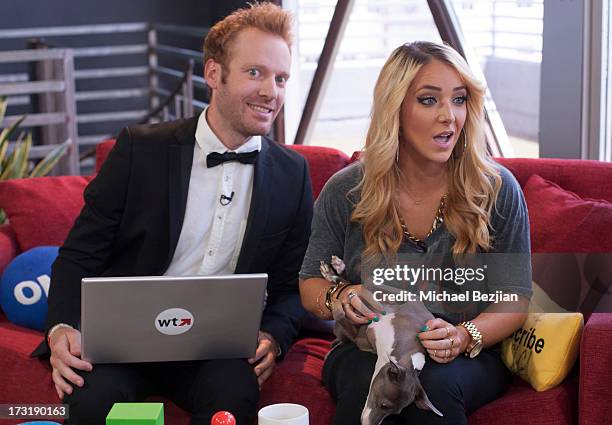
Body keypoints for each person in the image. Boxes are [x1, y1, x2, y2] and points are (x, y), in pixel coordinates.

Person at [41, 3, 313, 424]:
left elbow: (291, 285)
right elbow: (79, 254)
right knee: (91, 400)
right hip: (121, 348)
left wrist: (274, 337)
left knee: (234, 399)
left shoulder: (293, 174)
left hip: (216, 353)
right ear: (214, 74)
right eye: (255, 73)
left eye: (281, 78)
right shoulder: (139, 150)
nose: (271, 92)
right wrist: (61, 330)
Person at [299, 41, 532, 425]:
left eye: (458, 100)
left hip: (465, 353)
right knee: (370, 386)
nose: (449, 116)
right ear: (396, 109)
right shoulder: (345, 190)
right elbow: (310, 285)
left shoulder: (497, 189)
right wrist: (341, 296)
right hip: (365, 349)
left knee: (434, 389)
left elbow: (515, 299)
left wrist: (462, 336)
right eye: (429, 100)